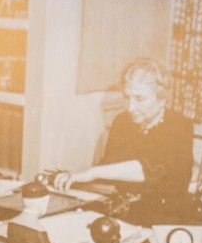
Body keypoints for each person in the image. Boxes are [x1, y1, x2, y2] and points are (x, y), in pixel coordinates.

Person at [45, 58, 194, 211]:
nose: (130, 108)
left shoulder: (180, 126)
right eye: (127, 98)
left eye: (139, 99)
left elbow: (153, 168)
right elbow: (108, 165)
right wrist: (72, 177)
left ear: (162, 99)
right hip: (125, 209)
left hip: (165, 213)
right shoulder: (122, 122)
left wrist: (91, 173)